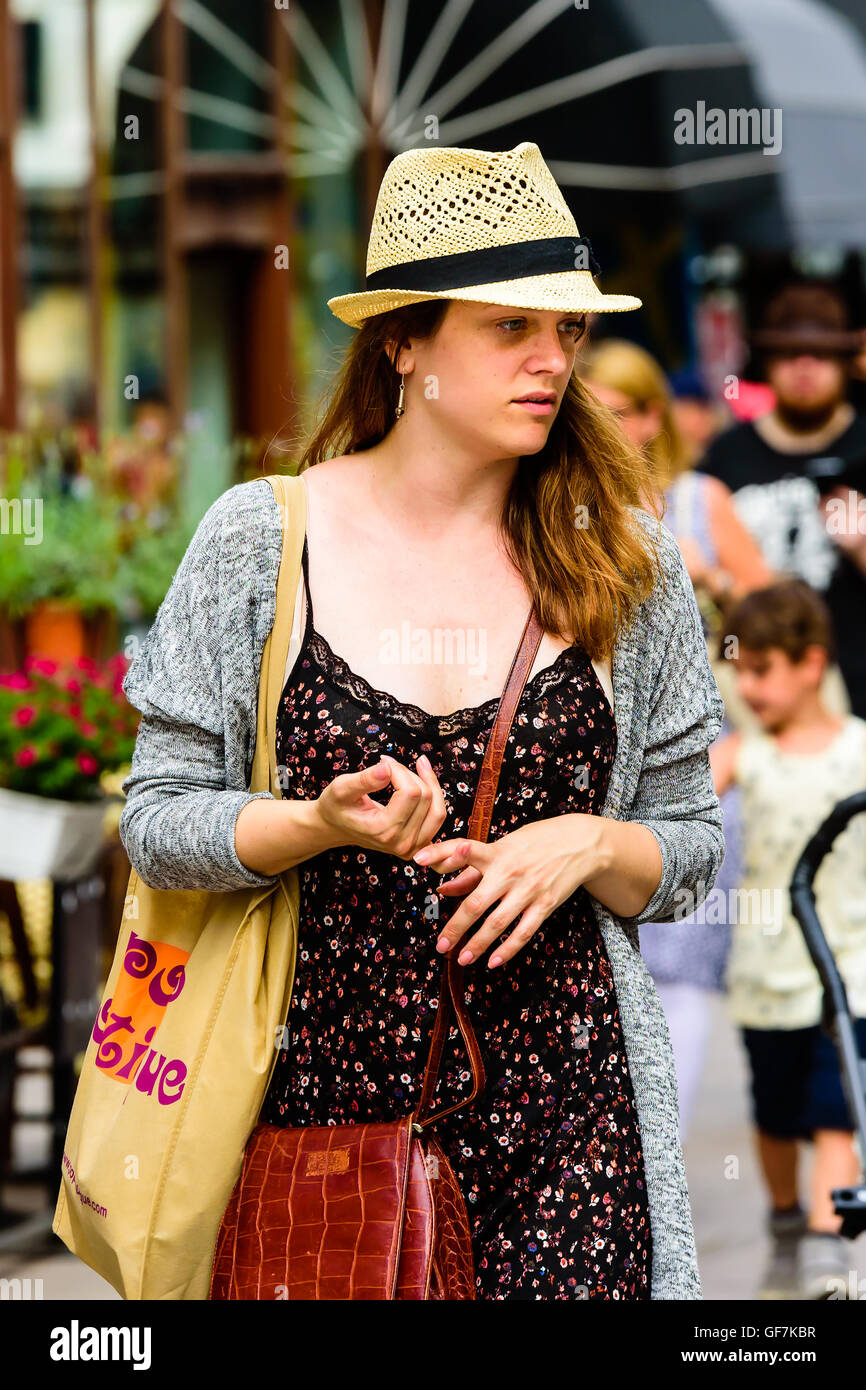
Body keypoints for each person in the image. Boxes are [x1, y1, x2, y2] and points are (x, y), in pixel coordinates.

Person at [119, 141, 724, 1301]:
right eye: (509, 328)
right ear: (402, 341)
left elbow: (688, 852)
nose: (551, 361)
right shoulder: (262, 539)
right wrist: (312, 820)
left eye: (566, 331)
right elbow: (157, 819)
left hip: (573, 1126)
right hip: (319, 1125)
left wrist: (591, 842)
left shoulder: (625, 557)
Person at [580, 338, 771, 1142]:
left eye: (617, 411)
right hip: (604, 763)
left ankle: (664, 1148)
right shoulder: (569, 503)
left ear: (653, 418)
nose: (599, 425)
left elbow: (777, 621)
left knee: (685, 965)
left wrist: (710, 576)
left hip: (705, 757)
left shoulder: (698, 501)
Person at [711, 580, 866, 1300]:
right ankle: (782, 1218)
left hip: (851, 968)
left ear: (811, 664)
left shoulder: (860, 748)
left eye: (762, 668)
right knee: (776, 1114)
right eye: (739, 670)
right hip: (765, 971)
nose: (749, 684)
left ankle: (828, 1247)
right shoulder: (746, 754)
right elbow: (680, 803)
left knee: (837, 1110)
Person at [699, 282, 866, 718]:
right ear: (766, 364)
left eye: (822, 355)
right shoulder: (726, 454)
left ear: (846, 362)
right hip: (757, 705)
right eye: (790, 355)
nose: (805, 368)